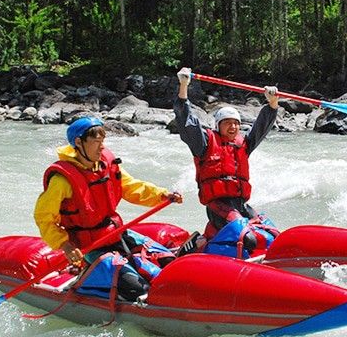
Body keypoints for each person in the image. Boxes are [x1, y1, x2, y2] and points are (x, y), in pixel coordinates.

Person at [34, 116, 182, 300]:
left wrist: (162, 194)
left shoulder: (106, 164)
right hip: (89, 245)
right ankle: (85, 277)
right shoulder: (62, 180)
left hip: (115, 233)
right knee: (137, 288)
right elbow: (44, 217)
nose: (102, 147)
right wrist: (65, 245)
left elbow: (132, 187)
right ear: (78, 143)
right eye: (96, 142)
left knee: (170, 263)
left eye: (102, 141)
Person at [174, 67, 279, 254]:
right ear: (218, 125)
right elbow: (186, 122)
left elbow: (260, 128)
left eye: (236, 123)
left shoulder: (243, 145)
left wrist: (272, 103)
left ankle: (208, 240)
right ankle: (201, 246)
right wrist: (183, 87)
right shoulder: (205, 143)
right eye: (228, 123)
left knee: (272, 235)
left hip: (239, 204)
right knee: (249, 238)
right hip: (218, 205)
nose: (233, 127)